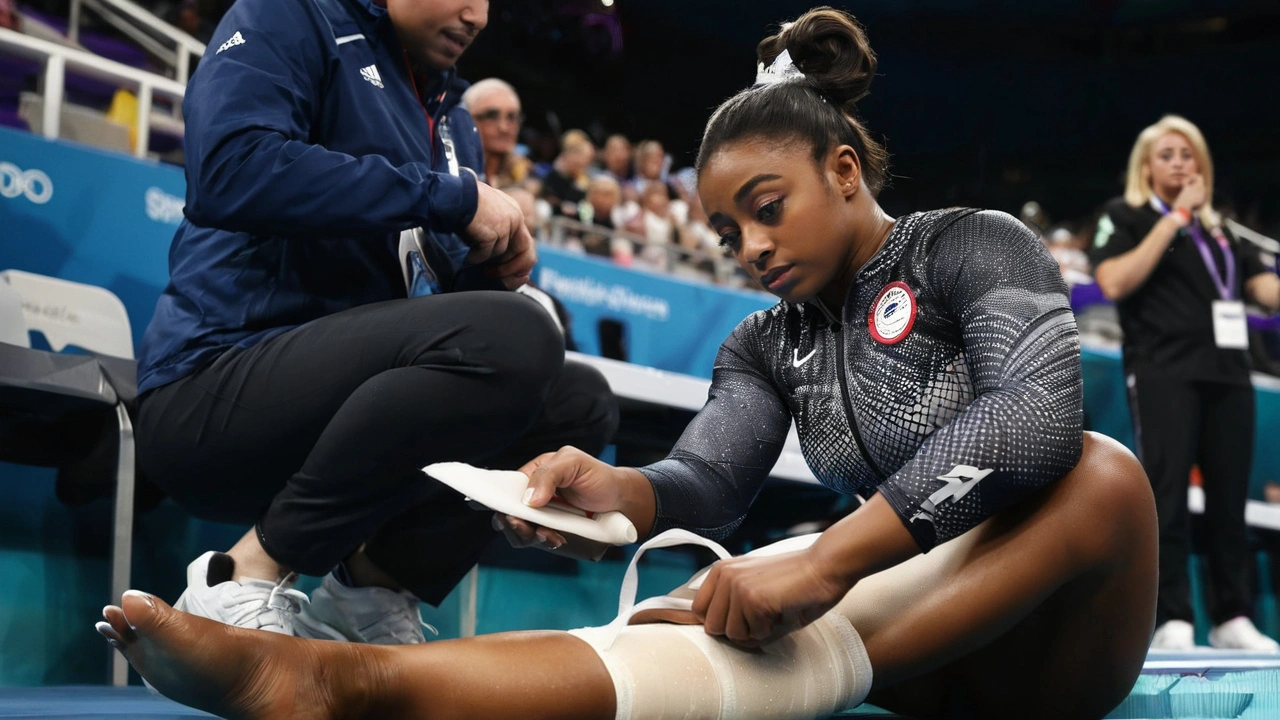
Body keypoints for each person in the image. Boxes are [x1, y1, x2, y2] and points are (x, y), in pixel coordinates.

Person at [101, 8, 1157, 719]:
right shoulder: (764, 341)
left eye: (766, 209)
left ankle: (817, 645)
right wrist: (612, 490)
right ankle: (336, 680)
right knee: (686, 604)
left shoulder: (969, 243)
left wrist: (825, 560)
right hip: (920, 649)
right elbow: (703, 481)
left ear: (842, 169)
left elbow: (1032, 420)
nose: (749, 249)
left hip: (1055, 646)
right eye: (723, 232)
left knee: (1100, 473)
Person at [134, 0, 617, 646]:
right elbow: (227, 170)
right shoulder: (293, 15)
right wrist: (448, 197)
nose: (477, 15)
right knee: (516, 338)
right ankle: (239, 572)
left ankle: (370, 592)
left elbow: (418, 288)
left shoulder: (452, 115)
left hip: (347, 416)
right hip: (214, 392)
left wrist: (487, 273)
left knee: (575, 401)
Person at [1092, 115, 1280, 652]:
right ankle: (1171, 613)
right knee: (1167, 493)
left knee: (1228, 500)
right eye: (1168, 155)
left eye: (1188, 154)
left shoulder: (1222, 232)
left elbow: (1266, 292)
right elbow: (1112, 280)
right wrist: (1174, 218)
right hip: (1162, 372)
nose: (1180, 163)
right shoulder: (1124, 216)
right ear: (1146, 166)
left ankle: (1232, 615)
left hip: (1229, 376)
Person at [461, 77, 532, 187]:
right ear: (466, 120)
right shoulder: (452, 174)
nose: (504, 128)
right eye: (491, 116)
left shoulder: (526, 175)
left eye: (512, 117)